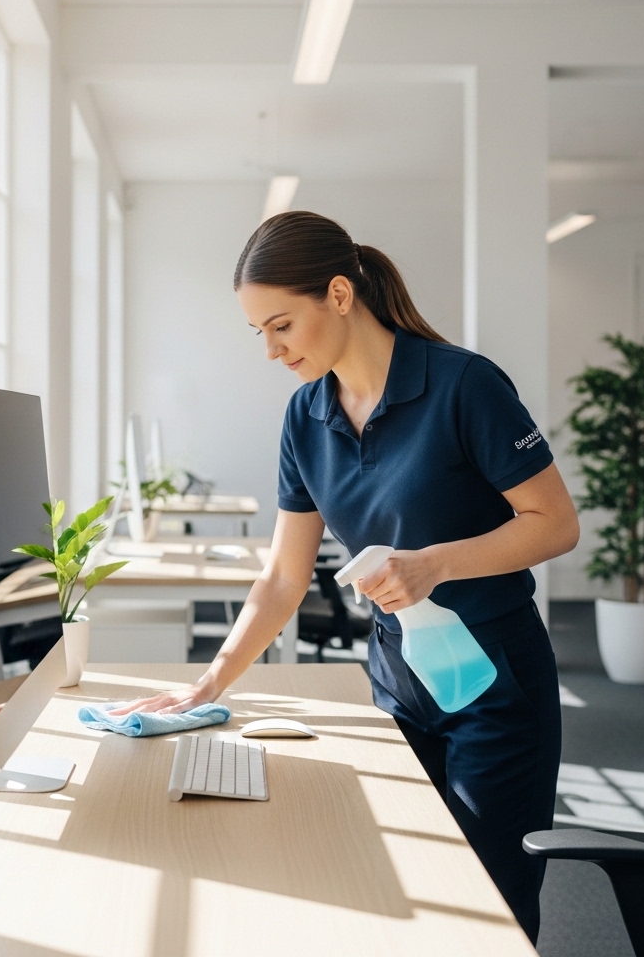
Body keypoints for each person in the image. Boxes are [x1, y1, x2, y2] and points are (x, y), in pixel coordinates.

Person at [112, 210, 579, 942]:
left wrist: (435, 563)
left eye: (281, 326)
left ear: (338, 295)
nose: (271, 350)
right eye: (258, 332)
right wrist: (209, 684)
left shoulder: (464, 384)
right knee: (402, 889)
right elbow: (282, 578)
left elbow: (554, 522)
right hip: (397, 677)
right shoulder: (305, 416)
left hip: (495, 683)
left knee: (489, 914)